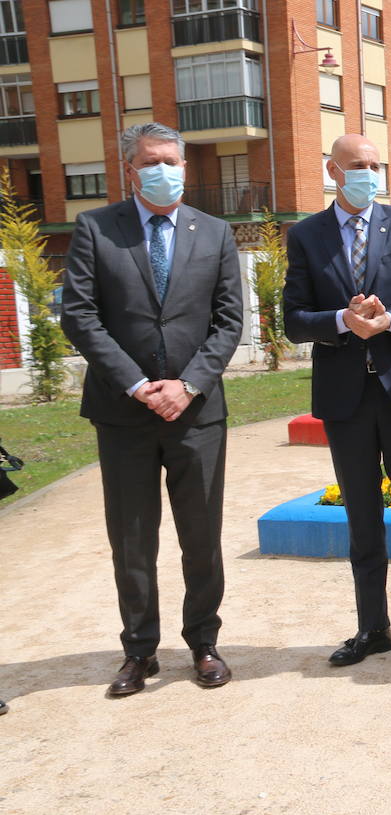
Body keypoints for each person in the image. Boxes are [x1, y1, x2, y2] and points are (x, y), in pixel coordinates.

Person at [60, 122, 243, 698]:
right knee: (133, 537)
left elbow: (228, 321)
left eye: (173, 161)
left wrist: (186, 386)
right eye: (151, 161)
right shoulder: (96, 228)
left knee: (201, 534)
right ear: (130, 170)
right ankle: (139, 651)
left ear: (184, 167)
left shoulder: (214, 233)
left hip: (197, 413)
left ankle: (204, 643)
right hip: (124, 415)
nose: (164, 170)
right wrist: (140, 386)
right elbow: (80, 316)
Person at [284, 134, 391, 671]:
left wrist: (390, 321)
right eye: (359, 165)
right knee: (362, 519)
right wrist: (341, 321)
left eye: (376, 165)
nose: (369, 172)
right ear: (334, 170)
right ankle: (373, 627)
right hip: (346, 400)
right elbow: (293, 318)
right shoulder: (307, 236)